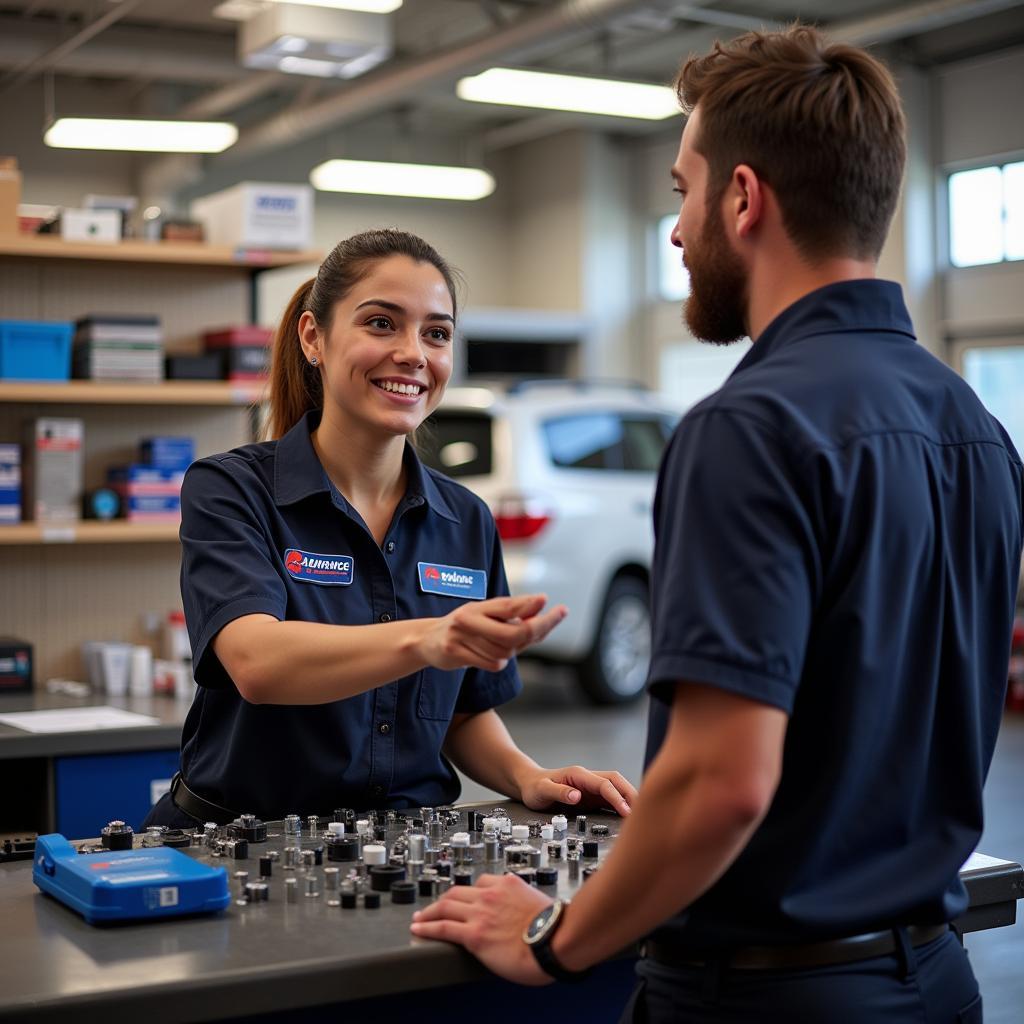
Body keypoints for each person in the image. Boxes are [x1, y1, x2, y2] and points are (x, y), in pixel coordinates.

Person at [410, 26, 1024, 1022]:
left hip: (766, 998)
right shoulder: (977, 430)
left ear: (742, 199)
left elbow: (720, 783)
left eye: (679, 189)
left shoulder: (749, 426)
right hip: (936, 980)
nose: (676, 230)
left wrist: (552, 941)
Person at [145, 228, 636, 829]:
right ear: (313, 338)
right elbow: (258, 662)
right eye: (381, 323)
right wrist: (429, 639)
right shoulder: (232, 489)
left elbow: (463, 712)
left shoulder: (466, 519)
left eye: (436, 333)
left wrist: (529, 776)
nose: (413, 353)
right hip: (244, 842)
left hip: (402, 850)